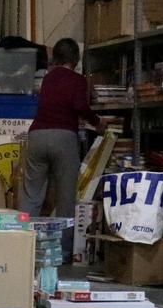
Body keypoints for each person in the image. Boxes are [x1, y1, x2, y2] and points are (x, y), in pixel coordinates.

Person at [19, 38, 105, 224]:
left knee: (31, 195)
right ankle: (63, 250)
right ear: (76, 59)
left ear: (55, 57)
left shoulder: (48, 78)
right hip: (63, 138)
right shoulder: (77, 80)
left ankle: (22, 243)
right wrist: (97, 122)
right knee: (65, 199)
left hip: (37, 136)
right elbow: (79, 105)